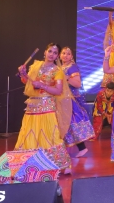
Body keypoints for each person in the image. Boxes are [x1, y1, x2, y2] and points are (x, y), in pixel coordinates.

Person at [15, 43, 72, 173]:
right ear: (45, 52)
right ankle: (29, 165)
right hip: (32, 106)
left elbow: (58, 91)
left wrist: (43, 86)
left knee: (50, 134)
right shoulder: (36, 66)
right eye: (50, 51)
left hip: (47, 107)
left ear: (57, 56)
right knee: (29, 134)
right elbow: (28, 82)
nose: (52, 54)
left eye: (55, 53)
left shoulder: (57, 71)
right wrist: (23, 74)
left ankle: (60, 164)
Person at [60, 47, 95, 157]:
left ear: (72, 56)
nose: (65, 55)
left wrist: (66, 78)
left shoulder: (72, 67)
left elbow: (78, 84)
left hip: (70, 100)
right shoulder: (60, 67)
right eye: (63, 53)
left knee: (71, 123)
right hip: (61, 99)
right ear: (60, 55)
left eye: (68, 54)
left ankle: (81, 148)